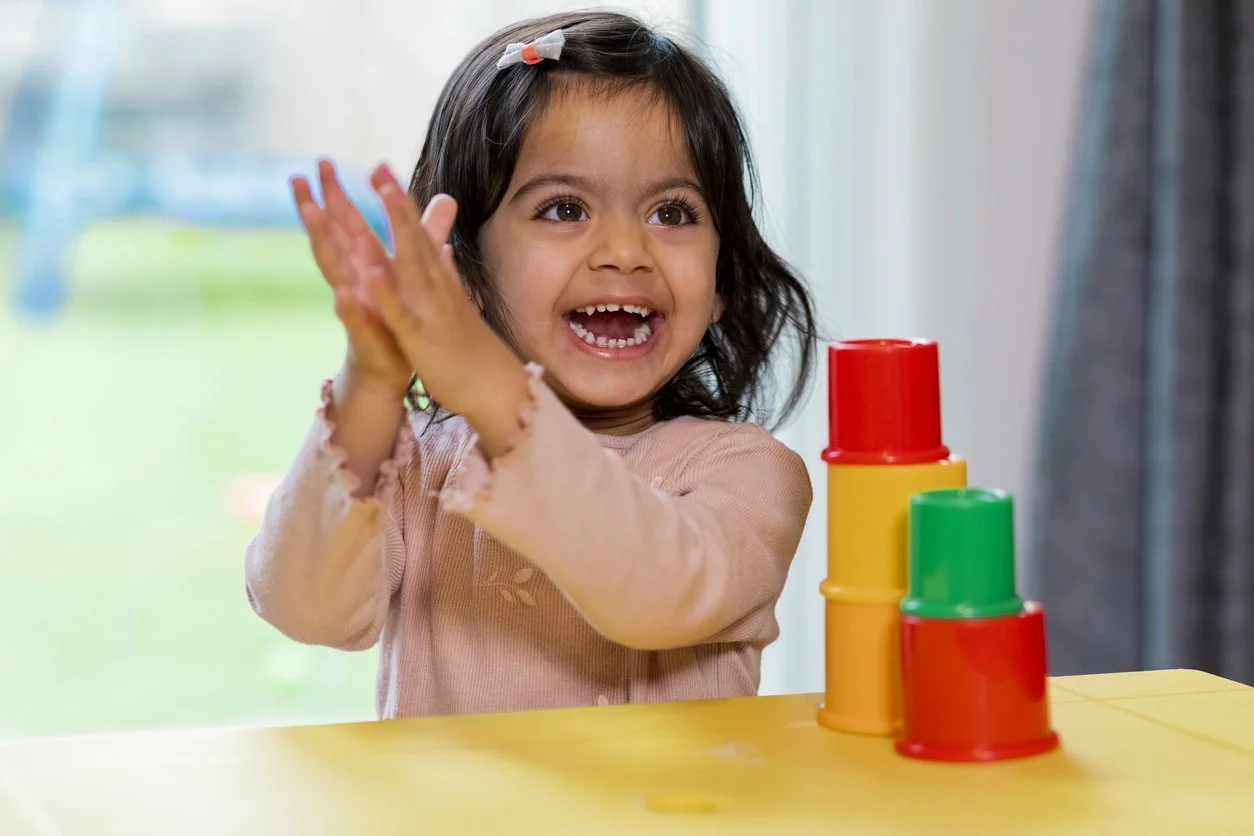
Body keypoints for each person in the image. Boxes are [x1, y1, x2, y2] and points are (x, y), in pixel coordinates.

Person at [244, 10, 820, 719]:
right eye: (564, 208)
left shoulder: (746, 473)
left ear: (724, 280)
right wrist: (373, 377)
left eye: (672, 213)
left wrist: (493, 389)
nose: (624, 250)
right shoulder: (418, 467)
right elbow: (301, 606)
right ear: (465, 268)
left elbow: (657, 592)